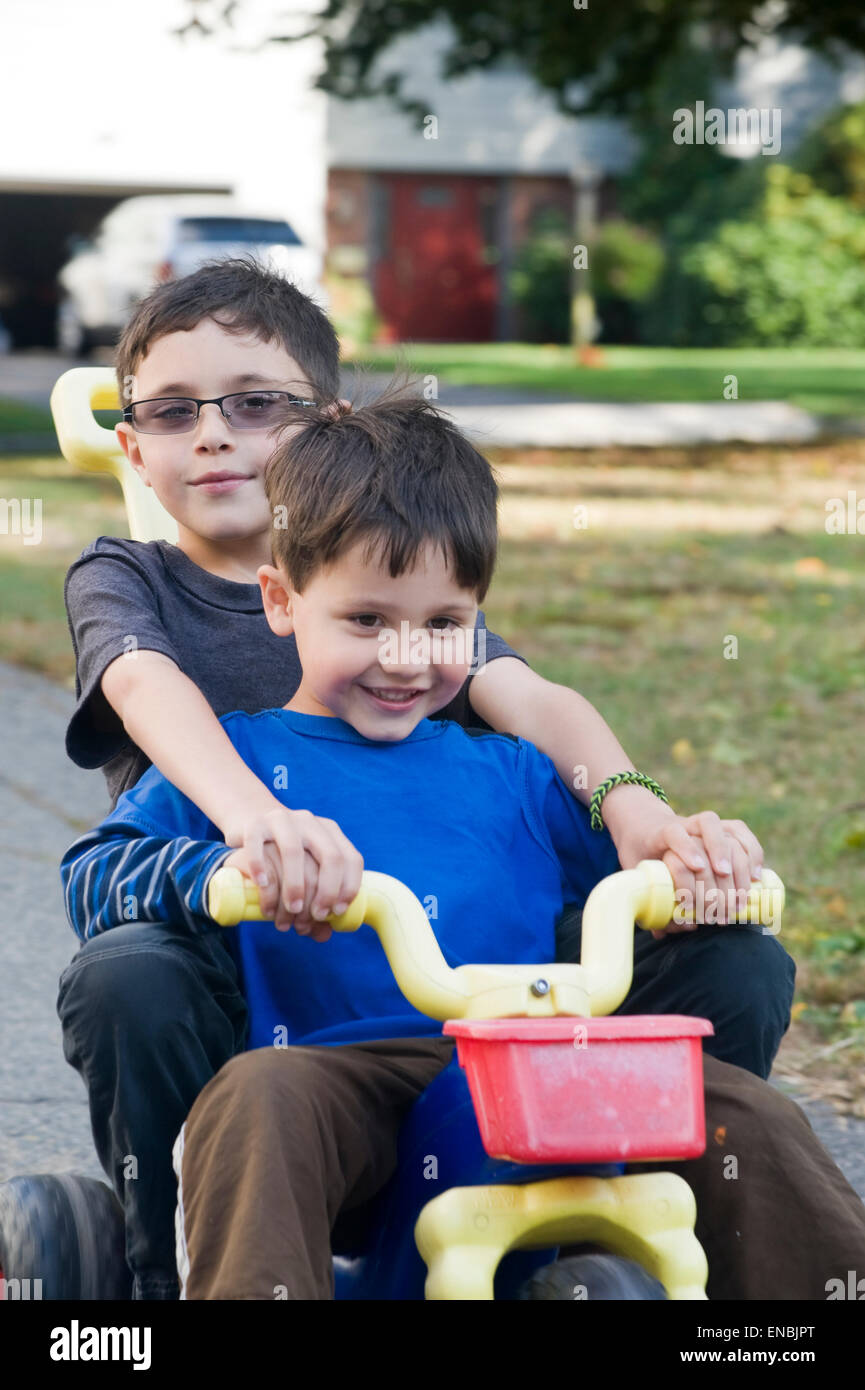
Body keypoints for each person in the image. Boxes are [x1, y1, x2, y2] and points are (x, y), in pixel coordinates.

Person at [56, 257, 793, 1301]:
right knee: (137, 980)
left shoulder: (410, 568)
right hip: (247, 952)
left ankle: (686, 1226)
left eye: (254, 403)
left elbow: (535, 703)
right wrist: (258, 831)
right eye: (175, 413)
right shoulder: (130, 576)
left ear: (327, 425)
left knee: (736, 966)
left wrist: (646, 819)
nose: (214, 432)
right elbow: (143, 685)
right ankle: (179, 1273)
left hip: (474, 983)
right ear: (131, 446)